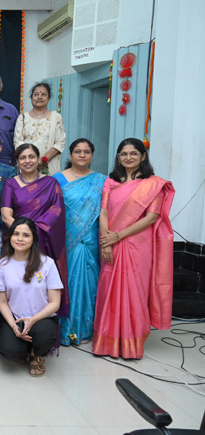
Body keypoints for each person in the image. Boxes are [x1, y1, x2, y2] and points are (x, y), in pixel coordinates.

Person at [93, 138, 175, 359]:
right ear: (118, 157)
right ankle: (107, 342)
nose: (128, 157)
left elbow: (151, 217)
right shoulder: (111, 181)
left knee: (134, 292)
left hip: (137, 244)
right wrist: (107, 240)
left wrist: (118, 236)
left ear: (143, 156)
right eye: (124, 154)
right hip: (110, 241)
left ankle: (131, 344)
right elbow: (104, 212)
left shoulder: (152, 184)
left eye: (133, 153)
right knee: (109, 289)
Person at [0, 143, 68, 316]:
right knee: (16, 282)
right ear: (17, 162)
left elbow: (56, 211)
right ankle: (13, 319)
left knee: (41, 283)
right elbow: (6, 216)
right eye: (23, 157)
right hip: (18, 243)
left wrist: (33, 234)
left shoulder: (50, 183)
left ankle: (42, 320)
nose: (27, 161)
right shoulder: (10, 184)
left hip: (42, 240)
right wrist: (22, 235)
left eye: (31, 156)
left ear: (38, 160)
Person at [53, 139, 107, 345]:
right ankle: (65, 330)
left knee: (90, 283)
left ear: (92, 155)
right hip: (65, 240)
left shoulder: (102, 181)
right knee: (65, 282)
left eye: (86, 151)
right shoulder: (57, 179)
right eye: (78, 151)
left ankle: (84, 330)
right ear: (70, 155)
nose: (82, 155)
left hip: (90, 241)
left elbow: (108, 211)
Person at [0, 218, 64, 377]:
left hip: (41, 318)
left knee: (45, 336)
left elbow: (55, 303)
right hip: (15, 318)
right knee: (9, 350)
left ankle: (35, 354)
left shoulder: (47, 263)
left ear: (33, 239)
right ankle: (22, 348)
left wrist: (32, 320)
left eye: (26, 235)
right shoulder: (2, 265)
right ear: (10, 236)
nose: (20, 239)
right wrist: (13, 325)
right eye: (16, 234)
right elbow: (2, 302)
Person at [14, 82, 65, 175]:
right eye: (36, 94)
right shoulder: (22, 118)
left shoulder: (56, 118)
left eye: (43, 94)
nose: (39, 97)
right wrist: (31, 160)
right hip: (27, 164)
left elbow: (60, 143)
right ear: (31, 97)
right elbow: (18, 142)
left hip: (49, 165)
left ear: (49, 98)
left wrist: (44, 159)